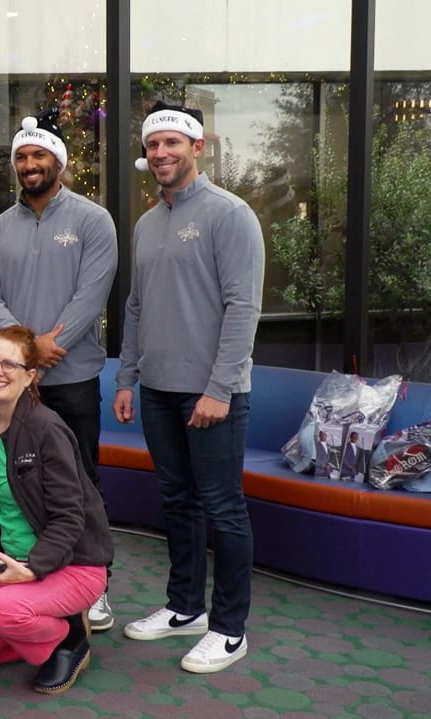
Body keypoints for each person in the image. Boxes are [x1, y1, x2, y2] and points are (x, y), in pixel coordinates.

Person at [114, 101, 265, 674]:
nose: (161, 154)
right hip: (155, 389)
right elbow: (135, 307)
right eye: (153, 146)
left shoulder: (230, 215)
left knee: (223, 508)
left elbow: (242, 307)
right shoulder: (146, 223)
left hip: (213, 394)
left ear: (197, 147)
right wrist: (128, 377)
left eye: (173, 144)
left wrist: (220, 389)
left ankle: (229, 628)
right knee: (177, 503)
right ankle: (184, 609)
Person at [0, 108, 119, 631]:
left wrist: (47, 345)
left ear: (57, 161)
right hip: (11, 384)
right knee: (9, 479)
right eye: (22, 156)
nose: (29, 163)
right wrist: (25, 350)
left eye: (39, 155)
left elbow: (93, 291)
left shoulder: (92, 220)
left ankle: (94, 583)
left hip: (73, 374)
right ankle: (15, 570)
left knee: (81, 480)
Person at [0, 326, 113, 694]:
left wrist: (32, 569)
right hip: (13, 564)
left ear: (30, 375)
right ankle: (37, 628)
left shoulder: (46, 428)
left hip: (72, 565)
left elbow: (71, 517)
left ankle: (68, 637)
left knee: (0, 611)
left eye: (9, 364)